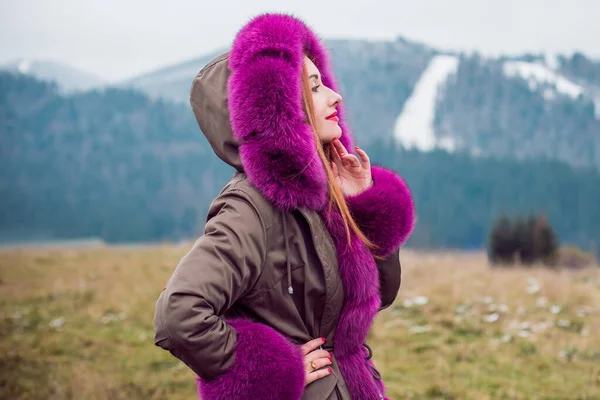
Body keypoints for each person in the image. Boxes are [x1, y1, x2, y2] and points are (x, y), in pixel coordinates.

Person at [153, 13, 415, 400]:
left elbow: (381, 294)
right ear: (280, 105)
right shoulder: (249, 208)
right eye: (315, 87)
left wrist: (361, 207)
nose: (334, 96)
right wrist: (274, 369)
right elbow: (178, 315)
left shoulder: (324, 194)